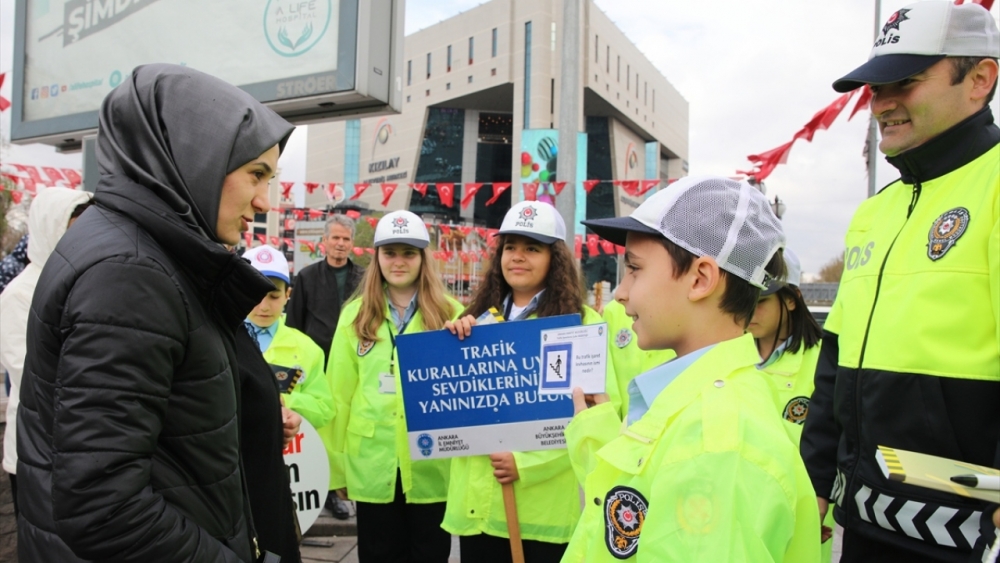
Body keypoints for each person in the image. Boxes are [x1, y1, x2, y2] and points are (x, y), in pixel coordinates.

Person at [15, 64, 294, 562]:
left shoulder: (146, 252)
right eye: (256, 174)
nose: (264, 201)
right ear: (196, 157)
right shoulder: (130, 272)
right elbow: (103, 506)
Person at [800, 3, 1000, 561]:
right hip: (862, 525)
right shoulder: (874, 211)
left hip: (970, 537)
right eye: (873, 88)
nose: (881, 103)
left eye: (904, 82)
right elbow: (834, 364)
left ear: (980, 79)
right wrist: (814, 479)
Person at [563, 176, 820, 562]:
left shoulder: (716, 443)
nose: (620, 292)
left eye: (634, 269)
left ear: (700, 278)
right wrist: (596, 439)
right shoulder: (706, 406)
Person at [442, 201, 621, 563]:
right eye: (510, 247)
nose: (517, 257)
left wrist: (525, 463)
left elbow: (596, 420)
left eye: (532, 248)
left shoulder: (580, 323)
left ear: (554, 258)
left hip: (540, 516)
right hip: (476, 513)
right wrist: (451, 346)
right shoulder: (474, 322)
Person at [325, 210, 461, 562]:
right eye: (390, 253)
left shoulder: (452, 314)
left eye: (408, 253)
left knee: (430, 554)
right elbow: (338, 396)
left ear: (423, 258)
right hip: (371, 463)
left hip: (432, 465)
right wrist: (336, 468)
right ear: (377, 257)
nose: (398, 262)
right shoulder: (354, 316)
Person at [1, 187, 92, 520]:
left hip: (77, 447)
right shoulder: (19, 294)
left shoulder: (84, 283)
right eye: (75, 228)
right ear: (50, 228)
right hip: (34, 446)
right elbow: (28, 371)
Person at [747, 248, 832, 562]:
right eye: (747, 300)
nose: (750, 311)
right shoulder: (730, 354)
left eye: (762, 301)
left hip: (802, 516)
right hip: (742, 512)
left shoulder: (824, 360)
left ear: (792, 299)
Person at [285, 214, 362, 519]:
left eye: (346, 239)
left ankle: (346, 486)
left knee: (348, 429)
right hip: (317, 366)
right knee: (317, 430)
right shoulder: (306, 277)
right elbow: (294, 324)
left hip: (353, 366)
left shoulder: (365, 277)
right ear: (325, 241)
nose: (340, 244)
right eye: (336, 238)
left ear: (352, 244)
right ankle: (322, 490)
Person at [244, 245, 334, 431]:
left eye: (274, 296)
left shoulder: (307, 349)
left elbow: (324, 409)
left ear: (287, 295)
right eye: (254, 295)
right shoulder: (218, 338)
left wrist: (286, 400)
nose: (264, 307)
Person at [601, 298, 674, 411]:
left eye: (636, 278)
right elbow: (608, 386)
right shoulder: (613, 311)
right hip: (623, 425)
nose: (620, 293)